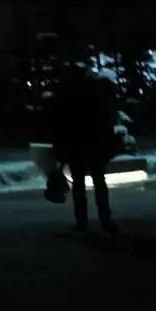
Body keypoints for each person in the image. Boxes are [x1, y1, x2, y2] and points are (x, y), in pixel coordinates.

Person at [51, 63, 119, 234]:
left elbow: (59, 122)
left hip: (75, 144)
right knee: (99, 181)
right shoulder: (95, 91)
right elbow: (105, 117)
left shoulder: (66, 93)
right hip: (94, 142)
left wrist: (60, 148)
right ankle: (105, 219)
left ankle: (82, 221)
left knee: (79, 184)